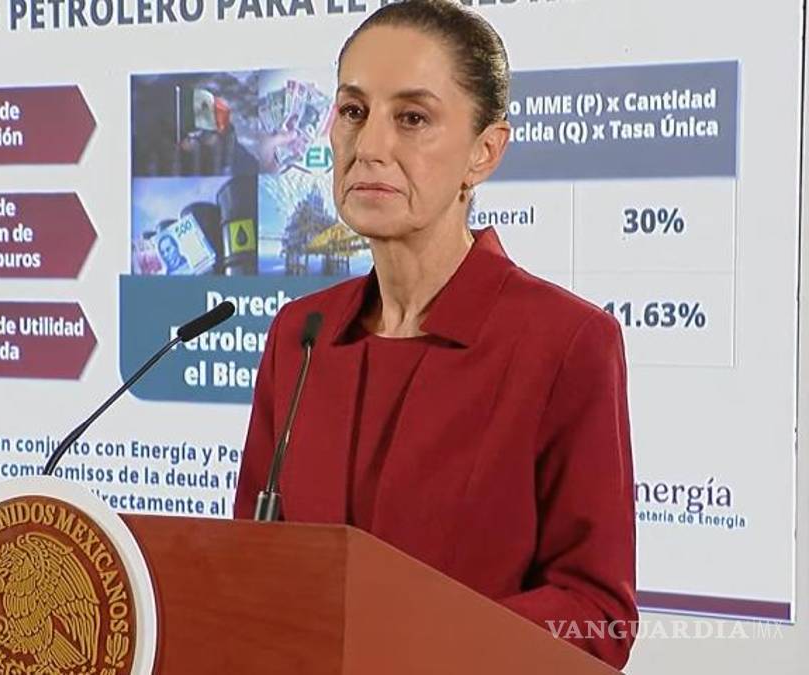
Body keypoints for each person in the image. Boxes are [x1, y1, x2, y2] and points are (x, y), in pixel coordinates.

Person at [233, 0, 637, 668]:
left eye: (412, 118)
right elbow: (248, 566)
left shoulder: (566, 342)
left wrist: (416, 639)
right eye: (354, 111)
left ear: (485, 151)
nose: (369, 147)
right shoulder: (301, 335)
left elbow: (597, 615)